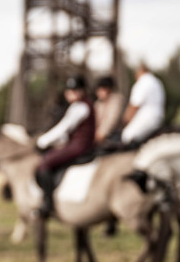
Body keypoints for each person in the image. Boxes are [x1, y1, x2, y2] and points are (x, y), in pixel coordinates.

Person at [34, 75, 96, 218]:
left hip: (79, 146)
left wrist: (42, 141)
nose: (71, 93)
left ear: (82, 91)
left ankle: (48, 204)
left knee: (45, 163)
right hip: (77, 143)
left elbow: (63, 128)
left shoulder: (80, 107)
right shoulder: (83, 105)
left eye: (75, 90)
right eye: (69, 90)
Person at [120, 62, 165, 145]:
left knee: (127, 136)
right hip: (158, 117)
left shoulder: (142, 82)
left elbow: (134, 106)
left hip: (147, 117)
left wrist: (125, 120)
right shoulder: (157, 81)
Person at [93, 75, 125, 144]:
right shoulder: (98, 103)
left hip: (114, 134)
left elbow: (111, 119)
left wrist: (101, 133)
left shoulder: (116, 100)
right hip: (98, 134)